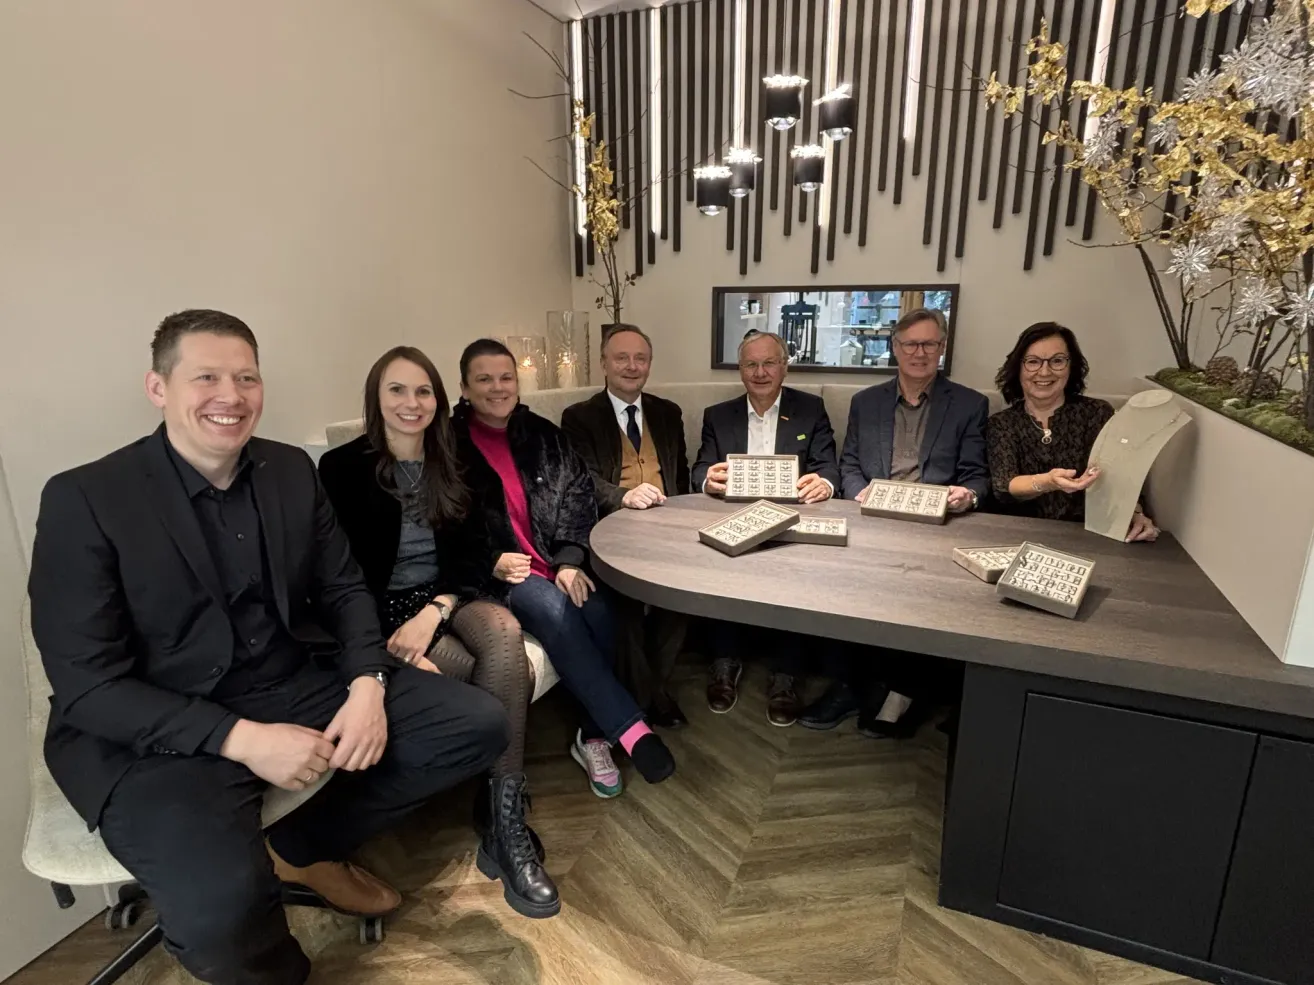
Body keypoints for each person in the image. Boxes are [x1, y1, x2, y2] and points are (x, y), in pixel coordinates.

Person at [28, 310, 509, 985]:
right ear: (158, 387)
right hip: (155, 728)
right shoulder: (85, 497)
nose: (231, 394)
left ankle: (303, 845)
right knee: (224, 911)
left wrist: (367, 681)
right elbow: (88, 685)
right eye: (207, 377)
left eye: (246, 376)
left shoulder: (287, 469)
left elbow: (344, 589)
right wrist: (243, 739)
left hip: (290, 678)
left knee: (475, 724)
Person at [318, 345, 557, 919]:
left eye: (423, 391)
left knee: (501, 629)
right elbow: (336, 577)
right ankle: (502, 817)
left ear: (438, 399)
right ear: (376, 399)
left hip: (446, 600)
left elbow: (474, 555)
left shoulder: (457, 460)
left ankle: (503, 819)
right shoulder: (341, 469)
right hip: (378, 613)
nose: (412, 402)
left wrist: (438, 609)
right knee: (495, 672)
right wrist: (388, 649)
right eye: (397, 390)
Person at [453, 338, 676, 799]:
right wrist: (488, 560)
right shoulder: (447, 444)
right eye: (485, 380)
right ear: (465, 388)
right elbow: (442, 522)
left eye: (506, 377)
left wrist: (570, 561)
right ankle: (629, 730)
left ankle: (590, 735)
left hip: (552, 562)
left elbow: (576, 495)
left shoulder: (541, 433)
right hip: (497, 576)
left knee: (598, 610)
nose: (498, 388)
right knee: (555, 613)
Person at [801, 307, 988, 739]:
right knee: (835, 587)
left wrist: (968, 495)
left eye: (928, 344)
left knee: (919, 598)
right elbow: (848, 464)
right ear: (894, 348)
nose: (919, 353)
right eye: (910, 344)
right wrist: (857, 490)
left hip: (935, 527)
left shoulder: (968, 405)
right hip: (872, 518)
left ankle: (904, 691)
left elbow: (978, 477)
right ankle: (849, 686)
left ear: (942, 349)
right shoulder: (865, 402)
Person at [691, 330, 840, 727]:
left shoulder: (810, 409)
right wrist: (709, 479)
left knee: (799, 571)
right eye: (750, 364)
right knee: (715, 562)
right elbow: (700, 470)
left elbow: (828, 466)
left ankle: (787, 674)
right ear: (740, 370)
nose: (760, 372)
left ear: (784, 366)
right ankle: (724, 662)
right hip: (733, 517)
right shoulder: (718, 415)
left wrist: (823, 482)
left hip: (793, 519)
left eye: (768, 363)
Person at [561, 324, 691, 730]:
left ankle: (646, 693)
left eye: (640, 358)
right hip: (610, 533)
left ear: (649, 364)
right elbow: (583, 480)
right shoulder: (579, 417)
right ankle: (652, 699)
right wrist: (623, 497)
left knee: (682, 600)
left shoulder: (668, 413)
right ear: (603, 363)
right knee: (627, 608)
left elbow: (680, 476)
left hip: (668, 530)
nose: (631, 366)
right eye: (621, 358)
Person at [987, 321, 1159, 541]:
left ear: (1071, 366)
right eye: (1033, 362)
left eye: (1057, 361)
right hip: (1020, 533)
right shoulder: (1001, 423)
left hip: (1089, 535)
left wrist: (1135, 513)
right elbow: (1004, 485)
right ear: (1018, 368)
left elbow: (1121, 477)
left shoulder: (1097, 413)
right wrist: (1048, 481)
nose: (1044, 371)